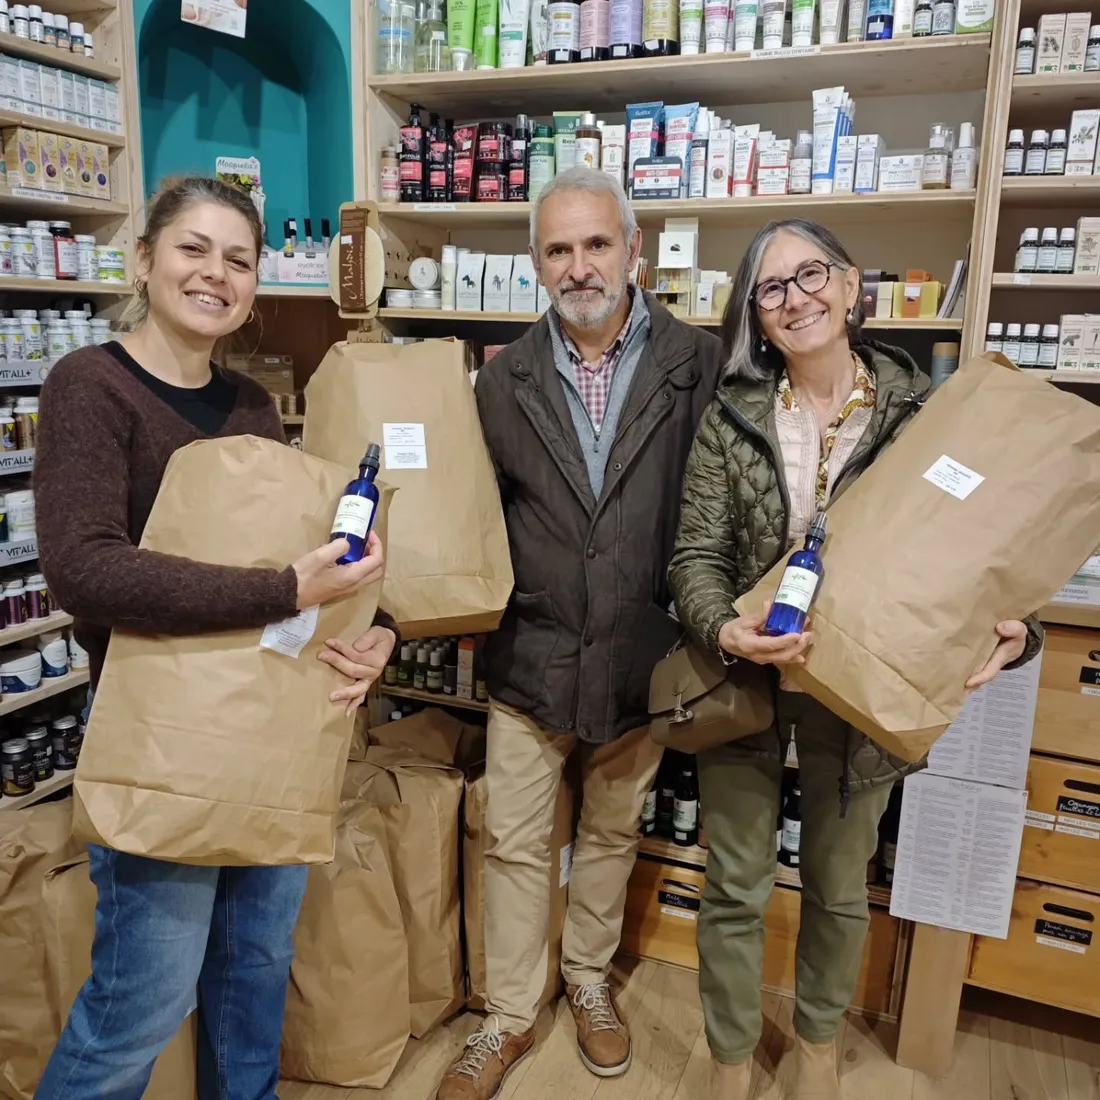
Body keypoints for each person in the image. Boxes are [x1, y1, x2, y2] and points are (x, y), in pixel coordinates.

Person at [33, 176, 398, 1100]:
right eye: (193, 248)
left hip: (264, 733)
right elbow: (86, 571)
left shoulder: (249, 408)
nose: (215, 274)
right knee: (141, 1006)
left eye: (238, 259)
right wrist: (285, 589)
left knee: (253, 975)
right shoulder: (90, 385)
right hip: (159, 739)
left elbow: (297, 563)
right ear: (147, 258)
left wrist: (375, 631)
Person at [667, 218, 1043, 1100]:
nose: (795, 298)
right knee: (734, 881)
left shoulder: (925, 415)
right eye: (771, 288)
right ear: (756, 319)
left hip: (862, 688)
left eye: (811, 276)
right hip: (750, 678)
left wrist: (1021, 632)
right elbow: (694, 555)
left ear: (849, 286)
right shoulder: (733, 419)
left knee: (839, 885)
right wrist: (725, 628)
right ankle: (728, 1057)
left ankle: (819, 1045)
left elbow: (993, 559)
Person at [434, 167, 723, 1100]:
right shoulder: (500, 380)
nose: (579, 265)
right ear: (535, 263)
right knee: (515, 840)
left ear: (634, 250)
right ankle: (511, 1014)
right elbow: (473, 516)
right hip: (531, 652)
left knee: (609, 830)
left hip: (643, 654)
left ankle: (589, 981)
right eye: (558, 249)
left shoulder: (698, 362)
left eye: (597, 243)